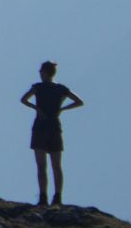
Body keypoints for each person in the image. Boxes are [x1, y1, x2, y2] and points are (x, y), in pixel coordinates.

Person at [20, 61, 84, 207]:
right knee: (56, 165)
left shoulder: (38, 87)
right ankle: (57, 197)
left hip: (40, 127)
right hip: (55, 126)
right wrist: (62, 109)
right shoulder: (61, 89)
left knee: (41, 165)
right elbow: (79, 101)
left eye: (41, 71)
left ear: (44, 72)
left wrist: (37, 108)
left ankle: (43, 197)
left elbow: (24, 100)